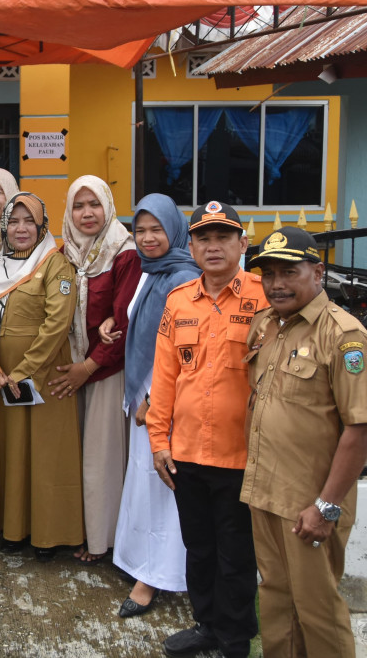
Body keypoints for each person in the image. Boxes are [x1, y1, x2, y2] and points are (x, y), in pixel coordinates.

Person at [244, 227, 367, 657]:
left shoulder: (345, 337)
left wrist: (326, 506)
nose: (276, 283)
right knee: (276, 600)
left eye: (289, 271)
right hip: (265, 493)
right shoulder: (265, 325)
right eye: (267, 274)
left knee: (317, 610)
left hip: (312, 503)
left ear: (318, 272)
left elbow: (360, 430)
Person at [147, 201, 266, 658]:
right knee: (198, 549)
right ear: (191, 246)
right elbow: (165, 378)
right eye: (204, 238)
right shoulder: (179, 302)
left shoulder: (262, 296)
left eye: (223, 237)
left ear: (242, 243)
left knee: (236, 555)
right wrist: (159, 441)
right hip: (188, 453)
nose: (213, 247)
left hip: (241, 454)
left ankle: (235, 639)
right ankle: (206, 626)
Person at [0, 192, 82, 560]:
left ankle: (47, 535)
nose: (21, 228)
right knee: (7, 452)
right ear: (4, 227)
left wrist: (21, 372)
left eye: (28, 221)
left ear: (41, 226)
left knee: (43, 455)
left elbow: (56, 324)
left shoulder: (54, 264)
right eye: (13, 221)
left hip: (42, 378)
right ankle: (10, 529)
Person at [108, 194, 201, 617]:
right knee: (145, 479)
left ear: (174, 230)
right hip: (144, 389)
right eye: (140, 230)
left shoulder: (182, 274)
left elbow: (186, 349)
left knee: (163, 484)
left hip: (164, 396)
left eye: (156, 229)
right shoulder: (152, 270)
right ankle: (142, 561)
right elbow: (143, 325)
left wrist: (152, 400)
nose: (146, 238)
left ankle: (156, 577)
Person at [49, 175, 141, 564]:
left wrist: (87, 367)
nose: (87, 214)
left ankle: (102, 541)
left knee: (101, 461)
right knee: (74, 457)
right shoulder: (64, 252)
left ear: (108, 205)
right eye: (78, 206)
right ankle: (77, 529)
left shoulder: (125, 253)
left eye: (95, 204)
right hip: (70, 368)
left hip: (105, 371)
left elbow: (123, 324)